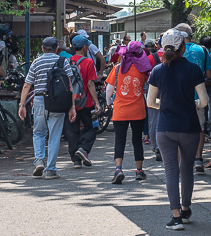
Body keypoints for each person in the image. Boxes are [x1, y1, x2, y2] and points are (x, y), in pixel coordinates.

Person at [147, 29, 208, 230]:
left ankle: (175, 217)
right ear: (183, 47)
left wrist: (163, 105)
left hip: (165, 128)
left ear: (162, 48)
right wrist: (194, 104)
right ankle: (185, 208)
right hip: (189, 127)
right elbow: (205, 101)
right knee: (187, 169)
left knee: (170, 171)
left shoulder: (157, 70)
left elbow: (150, 102)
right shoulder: (193, 69)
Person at [18, 36, 77, 179]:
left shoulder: (36, 62)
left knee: (38, 133)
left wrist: (22, 105)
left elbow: (27, 85)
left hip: (39, 99)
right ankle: (50, 169)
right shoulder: (63, 61)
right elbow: (70, 85)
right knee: (54, 136)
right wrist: (72, 107)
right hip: (59, 101)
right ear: (57, 48)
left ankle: (39, 160)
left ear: (42, 48)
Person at [105, 41, 151, 183]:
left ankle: (118, 169)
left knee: (120, 140)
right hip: (138, 110)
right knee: (137, 140)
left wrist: (108, 103)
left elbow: (109, 89)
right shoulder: (143, 69)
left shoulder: (118, 68)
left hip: (120, 110)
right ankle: (139, 171)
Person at [173, 23, 211, 173]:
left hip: (177, 98)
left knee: (177, 130)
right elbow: (209, 75)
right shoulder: (202, 50)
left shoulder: (174, 51)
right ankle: (198, 159)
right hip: (198, 97)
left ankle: (180, 162)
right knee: (199, 128)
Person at [65, 35, 101, 168]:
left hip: (71, 103)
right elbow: (91, 84)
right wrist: (97, 102)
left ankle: (76, 160)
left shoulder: (67, 61)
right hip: (87, 103)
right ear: (85, 47)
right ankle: (84, 149)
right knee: (93, 126)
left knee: (72, 131)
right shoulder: (88, 62)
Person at [144, 40, 162, 161]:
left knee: (154, 118)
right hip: (170, 93)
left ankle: (156, 147)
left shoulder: (151, 57)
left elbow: (145, 76)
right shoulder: (176, 56)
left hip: (154, 92)